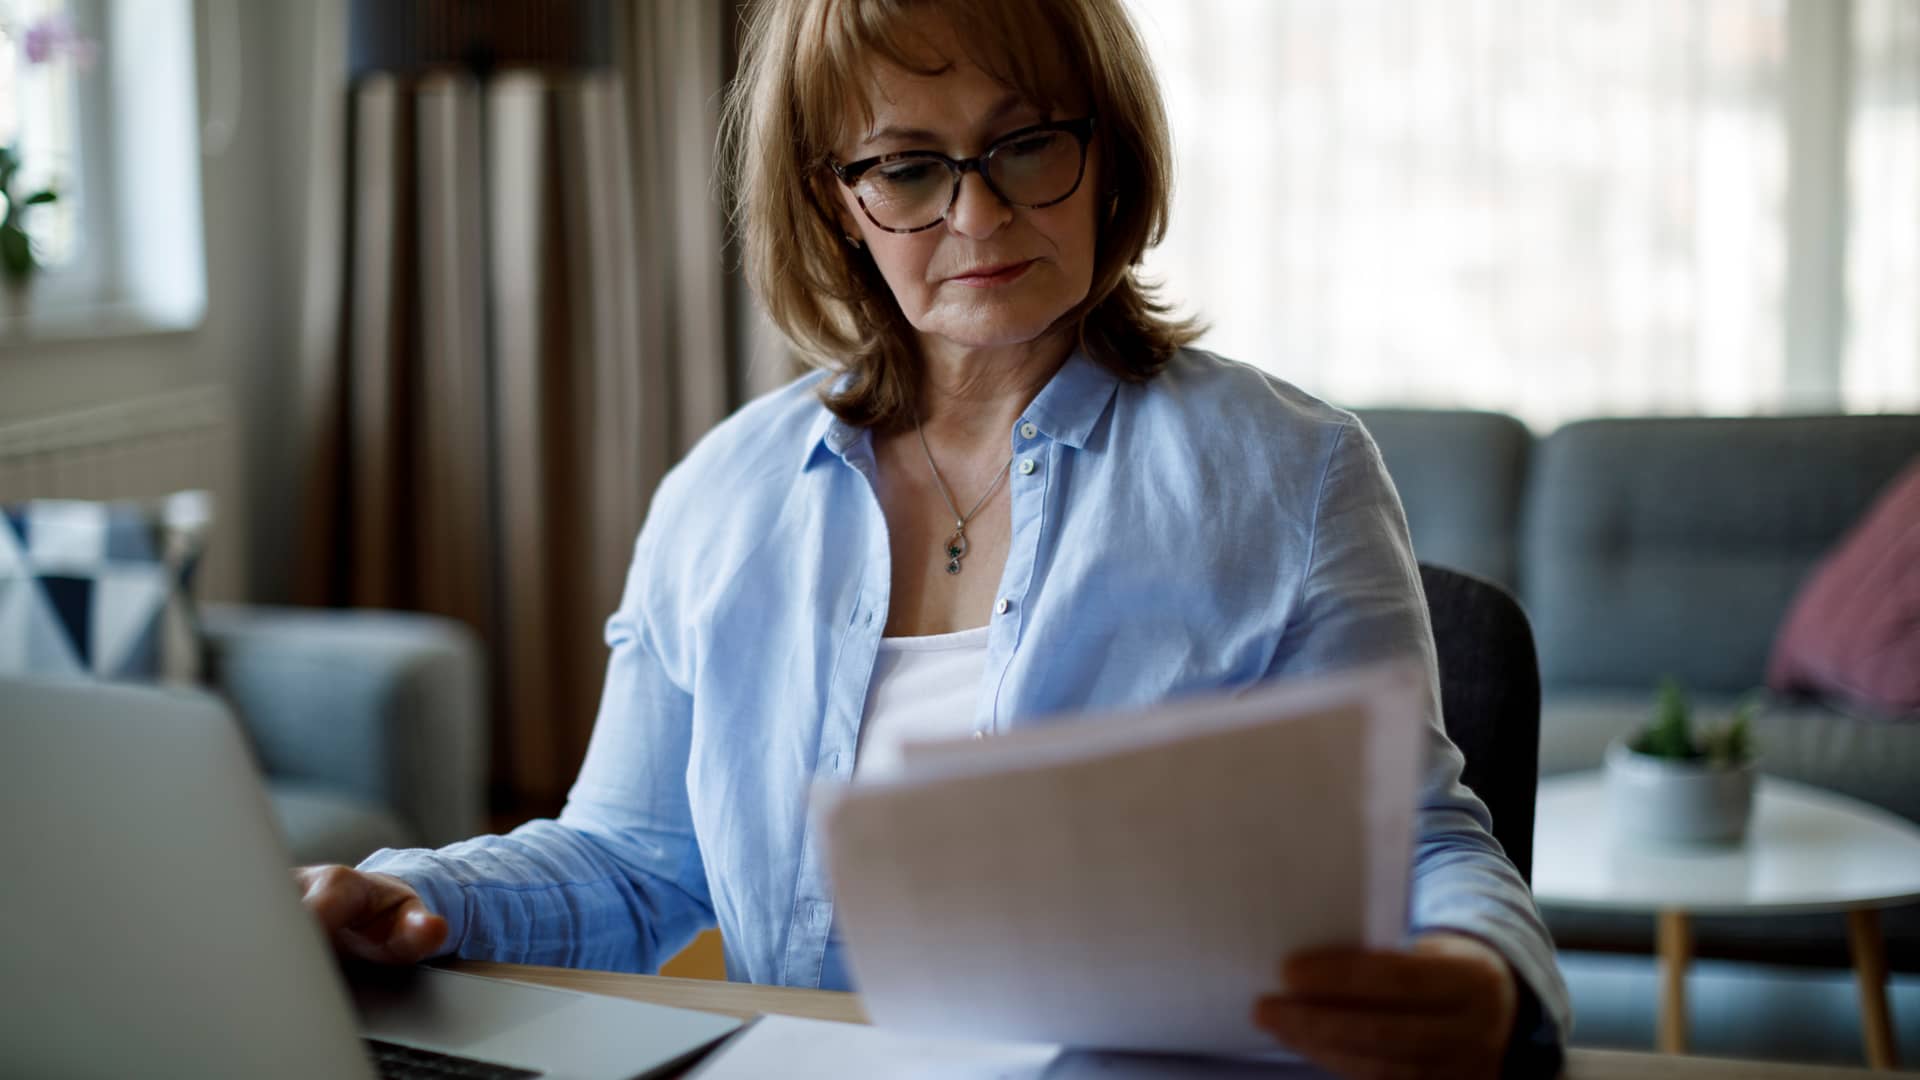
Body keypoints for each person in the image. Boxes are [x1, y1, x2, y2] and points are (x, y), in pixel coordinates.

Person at [297, 0, 1572, 1075]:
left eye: (1025, 144)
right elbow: (637, 861)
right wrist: (421, 895)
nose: (978, 216)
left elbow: (1418, 839)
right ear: (836, 200)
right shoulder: (723, 495)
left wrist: (1480, 976)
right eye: (908, 168)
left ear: (1107, 147)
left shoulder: (1292, 474)